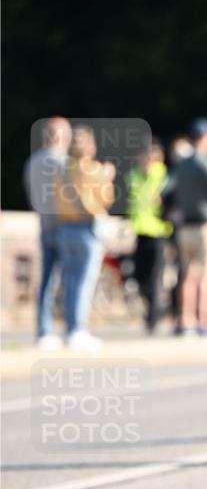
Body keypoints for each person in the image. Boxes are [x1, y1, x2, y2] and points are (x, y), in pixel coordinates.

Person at [166, 118, 207, 335]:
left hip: (185, 226)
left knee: (187, 275)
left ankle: (187, 321)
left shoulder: (181, 164)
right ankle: (204, 323)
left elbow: (167, 190)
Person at [55, 125, 115, 350]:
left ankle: (69, 327)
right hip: (87, 227)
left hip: (65, 227)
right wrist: (108, 177)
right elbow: (105, 199)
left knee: (69, 281)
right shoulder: (94, 170)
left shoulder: (62, 169)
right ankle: (77, 329)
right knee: (84, 282)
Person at [23, 117, 72, 349]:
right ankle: (72, 329)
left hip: (44, 223)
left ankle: (44, 329)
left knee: (47, 280)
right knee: (70, 281)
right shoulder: (62, 162)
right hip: (65, 225)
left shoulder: (33, 161)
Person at [126, 139, 172, 333]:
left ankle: (152, 320)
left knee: (154, 278)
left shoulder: (162, 175)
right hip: (140, 231)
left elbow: (169, 200)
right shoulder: (134, 175)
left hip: (158, 231)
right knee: (139, 277)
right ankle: (153, 311)